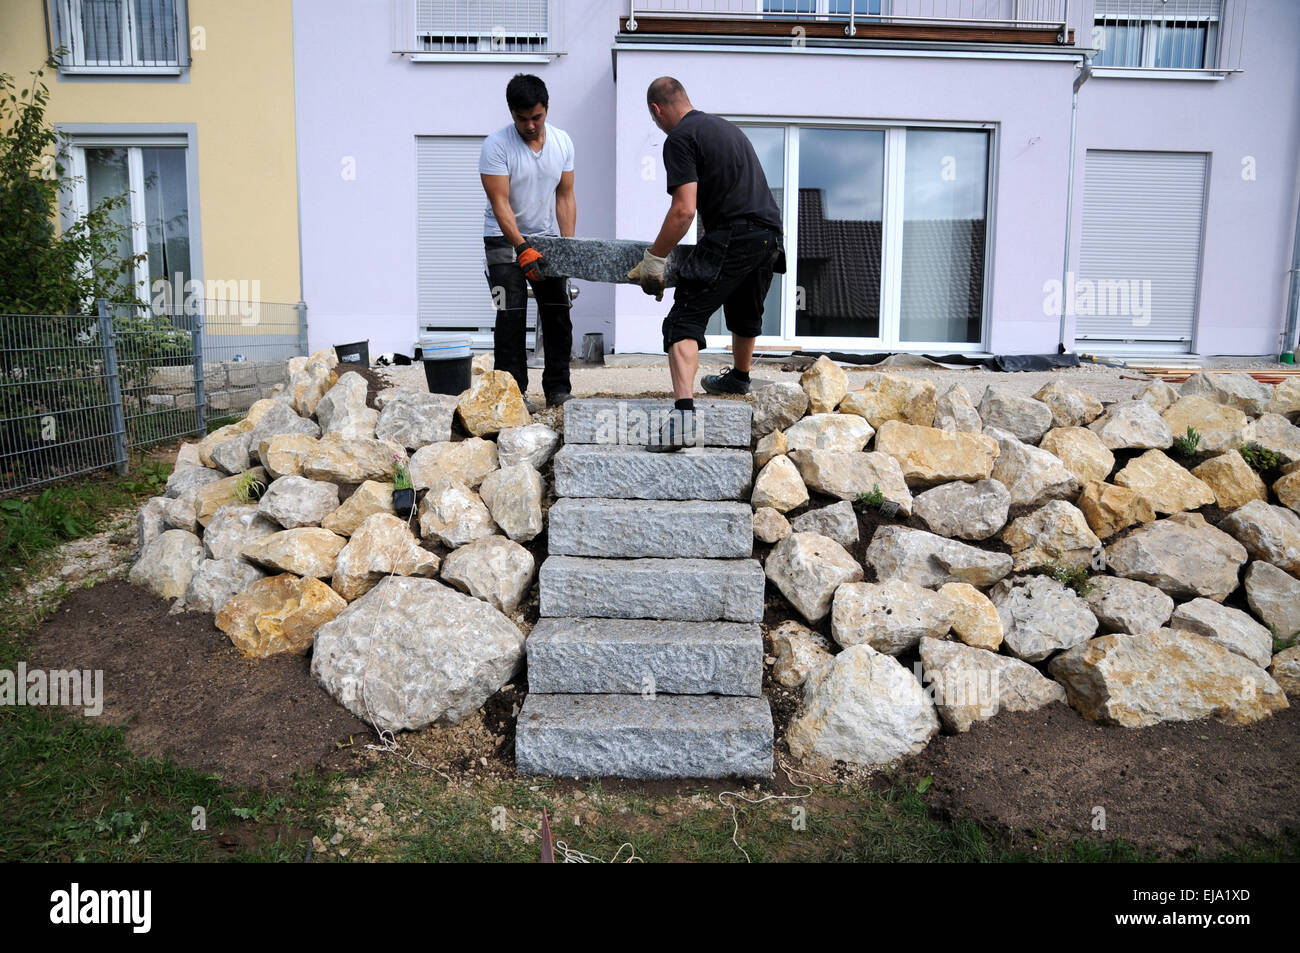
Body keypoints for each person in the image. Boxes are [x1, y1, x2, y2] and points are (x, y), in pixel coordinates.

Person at [629, 76, 784, 452]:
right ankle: (740, 378)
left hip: (733, 232)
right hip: (769, 235)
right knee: (745, 310)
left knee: (683, 319)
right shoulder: (727, 129)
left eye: (654, 119)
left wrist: (655, 258)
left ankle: (683, 418)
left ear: (657, 110)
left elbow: (683, 211)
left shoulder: (680, 138)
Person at [479, 73, 576, 408]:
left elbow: (565, 197)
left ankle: (558, 391)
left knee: (559, 313)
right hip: (503, 240)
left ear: (546, 109)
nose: (531, 125)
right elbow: (500, 203)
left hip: (547, 238)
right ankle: (512, 395)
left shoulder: (563, 143)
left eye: (537, 117)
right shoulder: (496, 146)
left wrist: (568, 249)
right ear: (511, 113)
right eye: (523, 119)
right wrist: (521, 248)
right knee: (509, 312)